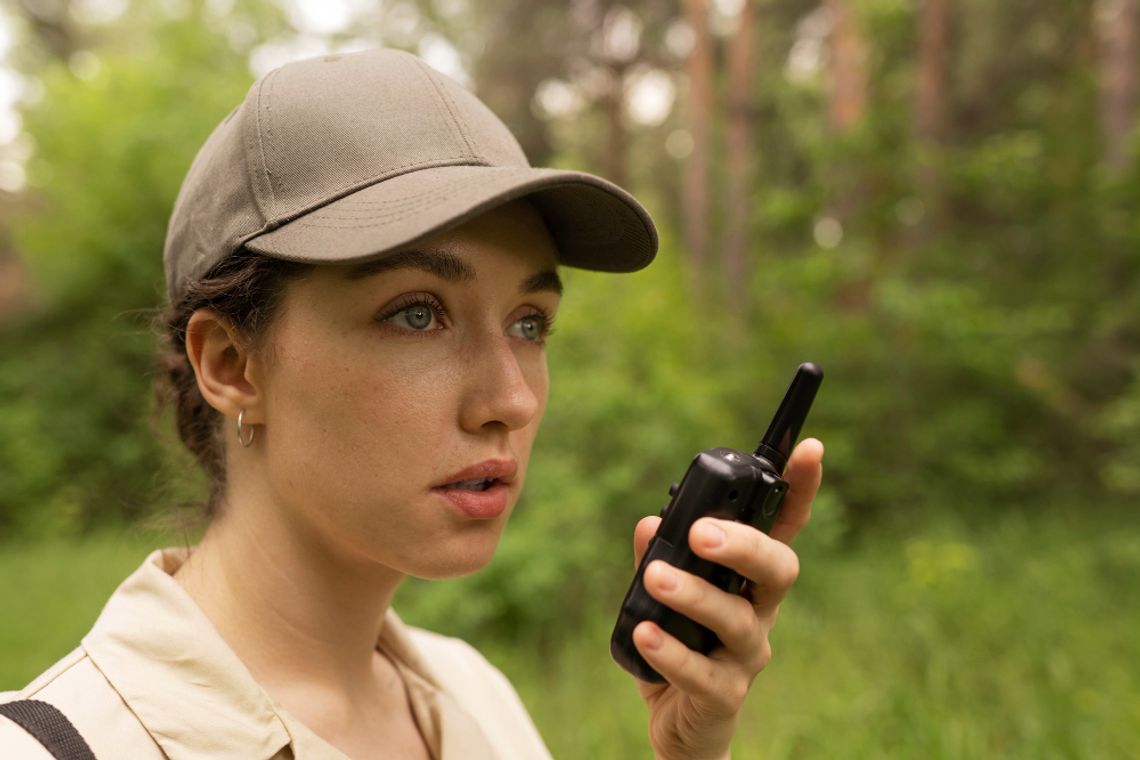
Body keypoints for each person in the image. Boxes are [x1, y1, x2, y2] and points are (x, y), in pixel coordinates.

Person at [0, 48, 823, 759]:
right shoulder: (59, 743)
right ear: (230, 363)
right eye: (416, 313)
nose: (510, 398)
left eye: (530, 322)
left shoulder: (479, 699)